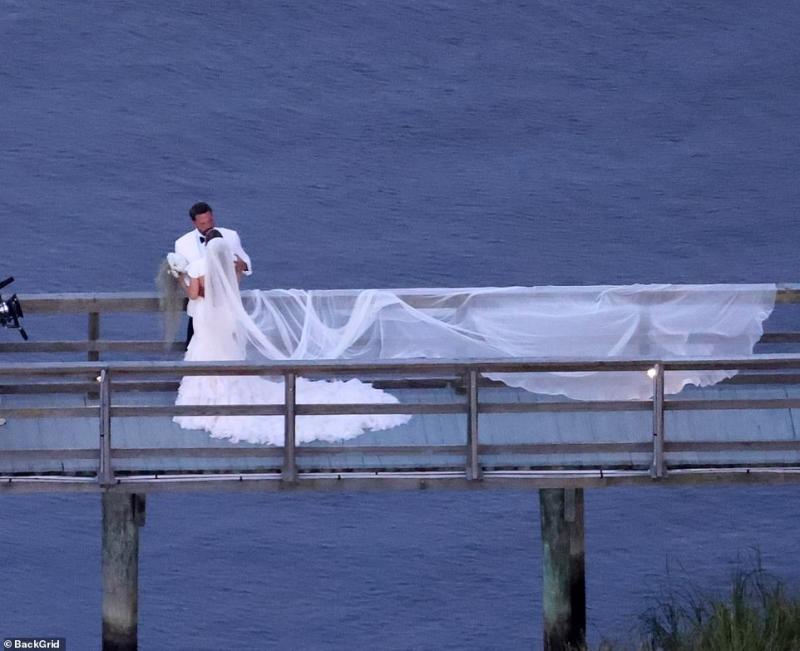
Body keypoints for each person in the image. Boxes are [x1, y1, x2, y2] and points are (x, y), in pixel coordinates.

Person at [173, 233, 410, 444]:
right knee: (227, 353)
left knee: (204, 352)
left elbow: (194, 294)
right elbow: (233, 287)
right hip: (227, 317)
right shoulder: (230, 267)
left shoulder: (197, 268)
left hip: (206, 318)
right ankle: (228, 392)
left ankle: (209, 398)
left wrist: (178, 278)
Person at [174, 202, 252, 346]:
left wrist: (240, 266)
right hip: (199, 312)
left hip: (225, 309)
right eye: (203, 223)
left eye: (210, 221)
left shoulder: (231, 235)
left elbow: (246, 264)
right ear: (194, 223)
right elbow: (186, 276)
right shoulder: (182, 243)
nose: (208, 226)